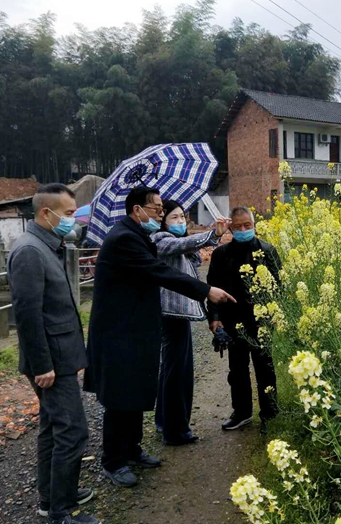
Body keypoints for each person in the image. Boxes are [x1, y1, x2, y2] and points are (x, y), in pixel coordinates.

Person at [84, 187, 235, 488]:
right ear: (137, 209)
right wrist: (205, 290)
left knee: (137, 388)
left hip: (136, 327)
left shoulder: (136, 233)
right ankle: (113, 461)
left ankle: (132, 448)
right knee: (119, 396)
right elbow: (158, 271)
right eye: (156, 209)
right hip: (119, 331)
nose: (160, 214)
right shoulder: (124, 238)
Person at [7, 184, 100, 524]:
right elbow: (27, 315)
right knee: (73, 430)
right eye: (70, 213)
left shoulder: (48, 245)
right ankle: (60, 512)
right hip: (51, 362)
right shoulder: (30, 251)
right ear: (47, 213)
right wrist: (42, 364)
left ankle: (52, 497)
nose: (73, 220)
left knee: (52, 426)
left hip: (58, 355)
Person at [152, 201, 230, 445]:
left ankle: (165, 423)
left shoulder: (174, 244)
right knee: (177, 373)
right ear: (163, 221)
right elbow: (180, 244)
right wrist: (212, 234)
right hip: (170, 314)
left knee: (172, 371)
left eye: (182, 217)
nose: (180, 222)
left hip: (177, 314)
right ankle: (175, 432)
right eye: (174, 218)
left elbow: (192, 259)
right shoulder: (159, 239)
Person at [206, 207, 281, 432]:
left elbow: (279, 285)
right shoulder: (221, 255)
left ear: (253, 224)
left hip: (262, 322)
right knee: (237, 370)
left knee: (265, 368)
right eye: (237, 226)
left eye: (247, 225)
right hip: (233, 321)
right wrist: (215, 318)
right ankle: (242, 413)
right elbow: (212, 288)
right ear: (230, 227)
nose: (243, 229)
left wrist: (277, 314)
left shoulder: (267, 250)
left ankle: (270, 413)